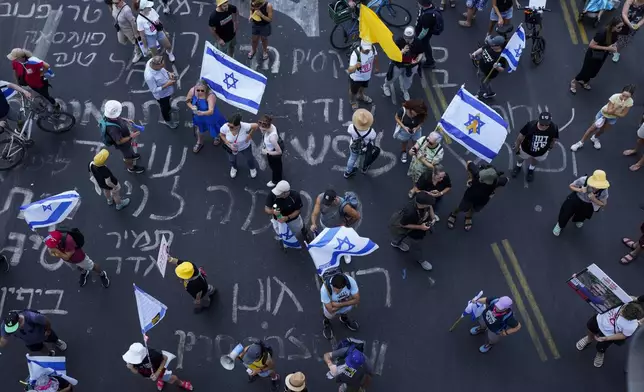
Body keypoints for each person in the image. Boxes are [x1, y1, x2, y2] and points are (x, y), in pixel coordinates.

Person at [576, 302, 644, 367]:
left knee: (602, 346)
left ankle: (600, 352)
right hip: (598, 319)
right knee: (590, 328)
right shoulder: (625, 302)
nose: (620, 311)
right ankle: (589, 339)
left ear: (629, 318)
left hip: (608, 334)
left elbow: (623, 335)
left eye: (622, 313)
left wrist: (606, 338)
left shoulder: (631, 326)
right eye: (623, 308)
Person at [570, 85, 635, 151]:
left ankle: (594, 138)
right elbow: (609, 111)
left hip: (612, 118)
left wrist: (613, 113)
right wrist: (617, 107)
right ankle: (580, 142)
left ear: (631, 96)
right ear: (621, 92)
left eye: (627, 97)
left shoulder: (630, 102)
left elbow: (623, 115)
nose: (624, 98)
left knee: (602, 130)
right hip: (603, 115)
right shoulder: (614, 97)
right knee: (592, 129)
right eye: (623, 95)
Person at [447, 162, 508, 231]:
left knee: (474, 209)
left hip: (482, 200)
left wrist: (494, 192)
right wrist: (470, 178)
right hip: (470, 196)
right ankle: (454, 214)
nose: (481, 179)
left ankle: (468, 216)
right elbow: (469, 163)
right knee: (461, 207)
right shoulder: (477, 172)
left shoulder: (497, 181)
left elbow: (506, 180)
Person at [569, 18, 622, 94]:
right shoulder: (602, 33)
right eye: (619, 27)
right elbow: (591, 45)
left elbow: (614, 41)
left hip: (603, 54)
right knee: (586, 70)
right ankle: (574, 81)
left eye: (621, 27)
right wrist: (607, 48)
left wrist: (614, 47)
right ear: (613, 26)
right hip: (593, 54)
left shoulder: (615, 33)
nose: (620, 29)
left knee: (594, 71)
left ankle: (584, 81)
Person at [45, 229, 111, 288]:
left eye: (53, 246)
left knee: (92, 266)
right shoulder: (55, 240)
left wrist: (56, 251)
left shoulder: (69, 241)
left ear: (59, 242)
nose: (51, 247)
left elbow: (67, 256)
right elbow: (57, 253)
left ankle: (102, 274)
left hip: (79, 258)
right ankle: (84, 272)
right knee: (78, 267)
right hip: (70, 260)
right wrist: (53, 252)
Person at [553, 170, 609, 236]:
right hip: (577, 198)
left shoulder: (604, 190)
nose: (596, 188)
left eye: (599, 186)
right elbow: (571, 186)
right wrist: (580, 190)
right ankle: (560, 225)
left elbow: (603, 203)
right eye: (595, 185)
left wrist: (594, 199)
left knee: (582, 215)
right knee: (566, 212)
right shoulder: (583, 180)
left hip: (588, 203)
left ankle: (578, 220)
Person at [390, 191, 436, 271]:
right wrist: (420, 227)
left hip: (418, 223)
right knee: (416, 246)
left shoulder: (422, 200)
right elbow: (403, 224)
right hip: (411, 229)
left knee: (401, 236)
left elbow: (430, 206)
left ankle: (396, 242)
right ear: (423, 204)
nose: (430, 205)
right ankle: (420, 260)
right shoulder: (410, 212)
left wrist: (433, 217)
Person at [511, 112, 559, 182]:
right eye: (542, 124)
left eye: (546, 124)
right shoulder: (530, 125)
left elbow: (554, 138)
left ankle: (531, 169)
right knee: (521, 157)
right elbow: (520, 137)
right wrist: (517, 147)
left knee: (535, 160)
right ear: (538, 121)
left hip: (541, 151)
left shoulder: (554, 127)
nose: (544, 126)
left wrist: (550, 148)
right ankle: (518, 166)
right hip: (526, 149)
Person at [122, 342, 194, 390]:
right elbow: (136, 371)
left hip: (160, 370)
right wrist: (131, 368)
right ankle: (161, 379)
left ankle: (181, 383)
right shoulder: (131, 360)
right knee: (161, 378)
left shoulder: (152, 354)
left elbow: (165, 358)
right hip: (149, 374)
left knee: (172, 378)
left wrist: (157, 373)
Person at [382, 26, 424, 102]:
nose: (407, 40)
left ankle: (405, 90)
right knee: (392, 77)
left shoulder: (418, 42)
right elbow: (392, 54)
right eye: (406, 38)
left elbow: (421, 52)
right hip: (398, 64)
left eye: (410, 38)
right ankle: (386, 85)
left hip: (411, 65)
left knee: (408, 80)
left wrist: (417, 60)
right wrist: (402, 52)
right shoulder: (399, 41)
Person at [103, 100, 146, 173]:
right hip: (123, 144)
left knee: (129, 150)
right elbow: (119, 141)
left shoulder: (109, 116)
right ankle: (131, 168)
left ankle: (132, 155)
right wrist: (131, 136)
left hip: (126, 141)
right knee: (127, 156)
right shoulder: (113, 129)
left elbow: (118, 118)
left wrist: (126, 120)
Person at [0, 310, 67, 356]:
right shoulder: (7, 326)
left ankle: (56, 342)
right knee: (40, 348)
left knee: (52, 338)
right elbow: (4, 338)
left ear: (19, 320)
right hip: (30, 342)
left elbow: (46, 321)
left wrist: (48, 330)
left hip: (43, 334)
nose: (13, 329)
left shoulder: (32, 317)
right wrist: (2, 342)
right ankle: (49, 353)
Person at [186, 79, 226, 153]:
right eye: (198, 90)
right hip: (199, 117)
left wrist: (202, 113)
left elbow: (211, 111)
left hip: (210, 117)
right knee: (199, 130)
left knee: (215, 128)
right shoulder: (193, 90)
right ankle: (199, 142)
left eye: (202, 90)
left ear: (206, 88)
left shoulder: (210, 96)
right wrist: (191, 106)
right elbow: (187, 100)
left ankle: (217, 137)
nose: (200, 92)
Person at [264, 181, 306, 247]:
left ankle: (304, 230)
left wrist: (287, 218)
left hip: (292, 220)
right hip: (278, 220)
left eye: (279, 193)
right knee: (279, 231)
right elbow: (266, 208)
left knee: (297, 228)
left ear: (285, 193)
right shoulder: (272, 194)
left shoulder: (295, 196)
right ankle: (284, 239)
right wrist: (273, 212)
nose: (276, 194)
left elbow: (298, 211)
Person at [320, 272, 360, 339]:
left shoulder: (351, 282)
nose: (335, 292)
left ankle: (343, 319)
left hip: (340, 307)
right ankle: (326, 323)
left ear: (343, 286)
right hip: (335, 309)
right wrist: (348, 301)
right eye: (334, 289)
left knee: (344, 313)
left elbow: (357, 300)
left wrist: (338, 304)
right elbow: (330, 310)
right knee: (328, 315)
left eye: (338, 291)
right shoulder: (325, 289)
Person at [219, 113, 259, 179]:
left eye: (231, 127)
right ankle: (234, 168)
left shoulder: (245, 126)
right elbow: (221, 135)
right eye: (228, 125)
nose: (229, 127)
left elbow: (256, 125)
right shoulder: (225, 127)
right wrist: (226, 142)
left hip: (245, 147)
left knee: (249, 159)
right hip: (231, 148)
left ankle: (252, 168)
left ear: (238, 125)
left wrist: (250, 135)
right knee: (232, 160)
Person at [144, 56, 178, 129]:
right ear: (156, 66)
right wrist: (167, 84)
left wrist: (169, 73)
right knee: (164, 108)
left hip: (168, 91)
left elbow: (163, 69)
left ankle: (170, 108)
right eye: (161, 66)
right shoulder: (149, 77)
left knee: (168, 102)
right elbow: (154, 90)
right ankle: (167, 120)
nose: (163, 67)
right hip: (162, 95)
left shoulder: (152, 61)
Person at [406, 131, 444, 198]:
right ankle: (414, 188)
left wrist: (422, 159)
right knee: (414, 179)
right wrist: (411, 151)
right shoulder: (423, 139)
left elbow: (433, 167)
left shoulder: (439, 151)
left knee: (422, 183)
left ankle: (418, 191)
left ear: (437, 142)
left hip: (424, 172)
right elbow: (414, 148)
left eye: (431, 143)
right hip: (414, 165)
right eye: (428, 140)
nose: (428, 143)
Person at [469, 35, 507, 99]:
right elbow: (482, 49)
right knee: (484, 81)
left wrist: (497, 67)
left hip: (488, 74)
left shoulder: (501, 56)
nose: (491, 45)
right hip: (481, 68)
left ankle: (479, 94)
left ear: (498, 46)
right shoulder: (490, 45)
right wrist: (474, 53)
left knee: (483, 84)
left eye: (493, 45)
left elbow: (502, 69)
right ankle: (490, 93)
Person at [393, 99, 428, 164]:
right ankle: (404, 151)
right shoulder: (403, 110)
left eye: (418, 113)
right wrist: (404, 127)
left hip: (416, 130)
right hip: (404, 130)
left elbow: (422, 121)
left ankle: (414, 151)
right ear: (411, 109)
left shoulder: (420, 114)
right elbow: (396, 118)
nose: (417, 115)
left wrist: (416, 128)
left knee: (416, 142)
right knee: (404, 141)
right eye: (416, 113)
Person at [345, 109, 376, 178]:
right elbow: (373, 137)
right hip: (365, 147)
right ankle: (364, 168)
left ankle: (348, 172)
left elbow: (349, 132)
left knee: (352, 158)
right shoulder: (371, 131)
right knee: (365, 158)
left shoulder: (351, 127)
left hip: (354, 145)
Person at [348, 40, 378, 110]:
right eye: (365, 49)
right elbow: (350, 70)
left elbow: (375, 57)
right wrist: (356, 66)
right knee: (353, 91)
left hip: (366, 75)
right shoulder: (355, 54)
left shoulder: (373, 48)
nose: (367, 51)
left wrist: (377, 67)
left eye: (368, 49)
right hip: (356, 78)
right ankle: (352, 101)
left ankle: (361, 96)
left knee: (363, 87)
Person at [258, 115, 283, 187]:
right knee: (278, 166)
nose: (262, 131)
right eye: (261, 128)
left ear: (268, 126)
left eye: (264, 130)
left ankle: (276, 181)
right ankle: (279, 173)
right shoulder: (271, 125)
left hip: (273, 152)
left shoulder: (272, 138)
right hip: (272, 148)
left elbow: (279, 152)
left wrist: (266, 152)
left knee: (275, 167)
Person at [415, 0, 440, 69]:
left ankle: (430, 62)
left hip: (424, 36)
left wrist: (418, 39)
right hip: (421, 30)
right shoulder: (429, 7)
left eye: (419, 2)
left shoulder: (428, 17)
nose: (417, 3)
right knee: (424, 46)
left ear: (422, 5)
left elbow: (424, 31)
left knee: (425, 46)